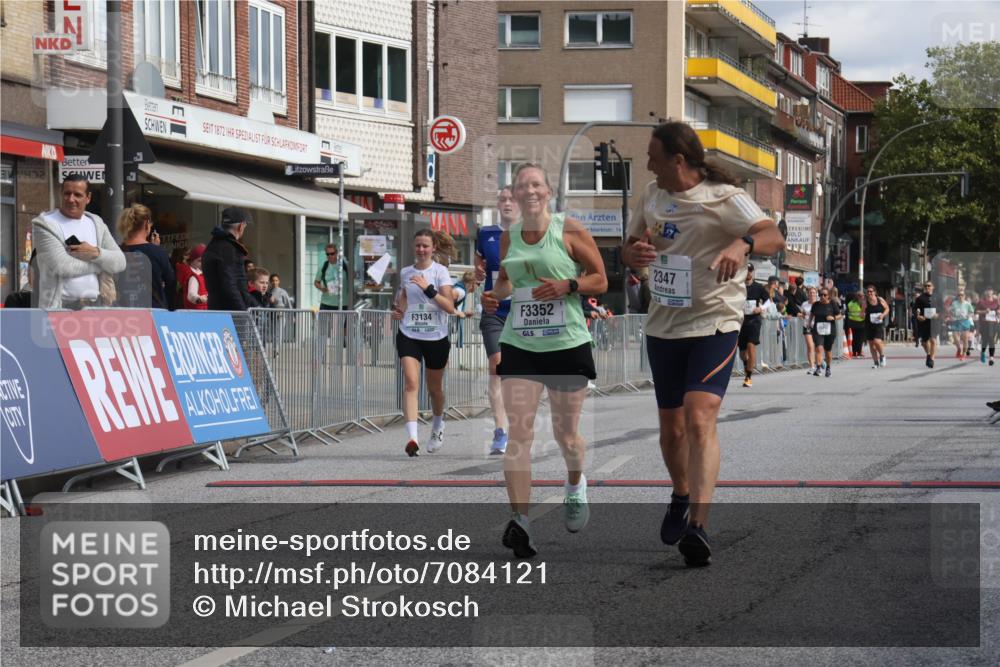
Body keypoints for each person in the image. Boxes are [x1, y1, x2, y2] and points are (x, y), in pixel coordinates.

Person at [621, 122, 784, 566]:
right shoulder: (653, 196)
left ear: (678, 160)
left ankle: (698, 525)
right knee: (671, 430)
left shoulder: (723, 197)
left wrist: (742, 243)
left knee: (699, 418)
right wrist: (632, 255)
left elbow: (773, 235)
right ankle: (680, 493)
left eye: (653, 156)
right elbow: (630, 245)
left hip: (715, 320)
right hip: (664, 325)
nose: (648, 163)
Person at [481, 162, 607, 559]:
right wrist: (494, 295)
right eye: (522, 186)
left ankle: (574, 485)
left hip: (567, 342)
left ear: (548, 192)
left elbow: (601, 278)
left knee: (566, 435)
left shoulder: (568, 229)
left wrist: (568, 285)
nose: (529, 191)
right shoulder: (508, 237)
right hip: (522, 341)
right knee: (520, 434)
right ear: (514, 195)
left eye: (536, 184)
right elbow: (506, 282)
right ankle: (520, 520)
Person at [392, 229, 465, 457]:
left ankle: (437, 425)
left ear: (433, 248)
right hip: (409, 334)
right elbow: (404, 296)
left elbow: (449, 307)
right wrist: (399, 310)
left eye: (425, 246)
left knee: (434, 389)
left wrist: (428, 288)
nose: (421, 250)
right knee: (411, 383)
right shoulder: (406, 272)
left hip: (435, 337)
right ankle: (412, 438)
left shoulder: (440, 271)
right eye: (418, 246)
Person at [31, 175, 126, 310]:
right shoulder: (45, 224)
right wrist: (101, 264)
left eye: (77, 195)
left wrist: (96, 253)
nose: (71, 199)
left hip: (97, 308)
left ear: (88, 198)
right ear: (60, 194)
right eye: (67, 193)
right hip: (60, 309)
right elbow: (62, 266)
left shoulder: (96, 223)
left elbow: (120, 261)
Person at [475, 186, 520, 455]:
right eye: (501, 198)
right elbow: (478, 268)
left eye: (511, 199)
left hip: (523, 312)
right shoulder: (486, 234)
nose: (506, 203)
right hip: (493, 310)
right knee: (496, 365)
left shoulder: (530, 233)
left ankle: (519, 421)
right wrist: (477, 274)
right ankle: (500, 430)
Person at [116, 203, 175, 309]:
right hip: (152, 310)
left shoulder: (116, 251)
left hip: (124, 312)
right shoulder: (157, 252)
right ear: (147, 224)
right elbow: (170, 280)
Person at [202, 207, 256, 311]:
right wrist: (242, 312)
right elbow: (230, 284)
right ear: (241, 226)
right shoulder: (229, 248)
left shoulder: (212, 245)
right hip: (231, 312)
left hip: (215, 308)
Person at [738, 266, 768, 388]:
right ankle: (747, 364)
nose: (748, 273)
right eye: (746, 270)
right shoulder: (738, 286)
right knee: (742, 353)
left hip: (754, 321)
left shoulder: (759, 287)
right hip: (741, 321)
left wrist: (760, 308)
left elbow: (769, 301)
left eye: (750, 271)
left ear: (752, 272)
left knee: (751, 346)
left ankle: (748, 377)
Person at [809, 287, 842, 377]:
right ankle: (818, 368)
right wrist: (809, 323)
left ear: (828, 296)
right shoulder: (815, 304)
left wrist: (833, 318)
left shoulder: (832, 304)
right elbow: (812, 314)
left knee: (828, 350)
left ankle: (828, 368)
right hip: (818, 329)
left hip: (830, 330)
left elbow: (839, 315)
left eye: (825, 295)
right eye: (820, 295)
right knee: (819, 348)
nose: (822, 296)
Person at [314, 244, 350, 311]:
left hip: (342, 303)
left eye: (332, 253)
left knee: (342, 322)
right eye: (327, 254)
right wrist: (322, 288)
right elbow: (316, 282)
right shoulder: (323, 266)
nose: (330, 256)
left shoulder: (345, 265)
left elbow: (354, 276)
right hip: (326, 303)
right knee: (322, 321)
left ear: (336, 253)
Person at [914, 281, 940, 368]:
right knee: (924, 342)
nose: (927, 287)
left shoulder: (937, 297)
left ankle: (932, 359)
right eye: (926, 286)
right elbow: (915, 310)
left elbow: (943, 309)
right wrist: (918, 316)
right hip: (924, 322)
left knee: (933, 340)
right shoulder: (920, 298)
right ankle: (928, 355)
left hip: (934, 322)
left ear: (933, 287)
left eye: (929, 286)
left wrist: (938, 315)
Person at [863, 285, 890, 368]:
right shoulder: (865, 302)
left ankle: (882, 356)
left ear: (875, 292)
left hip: (878, 324)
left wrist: (882, 315)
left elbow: (887, 309)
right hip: (869, 325)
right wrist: (862, 314)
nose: (869, 293)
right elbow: (862, 312)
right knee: (871, 344)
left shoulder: (880, 299)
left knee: (877, 341)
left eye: (871, 291)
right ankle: (875, 362)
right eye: (868, 291)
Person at [947, 290, 975, 361]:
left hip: (965, 321)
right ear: (957, 296)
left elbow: (972, 312)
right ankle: (959, 349)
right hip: (956, 322)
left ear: (964, 296)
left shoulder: (967, 304)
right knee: (955, 338)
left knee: (965, 339)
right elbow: (949, 311)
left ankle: (964, 354)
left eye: (962, 295)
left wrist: (969, 315)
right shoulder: (954, 303)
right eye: (959, 295)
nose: (960, 296)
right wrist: (951, 316)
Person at [975, 287, 998, 366]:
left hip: (993, 323)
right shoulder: (981, 302)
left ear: (992, 292)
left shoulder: (996, 301)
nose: (989, 293)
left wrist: (998, 311)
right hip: (984, 323)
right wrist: (984, 311)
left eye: (990, 291)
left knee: (991, 339)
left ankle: (991, 357)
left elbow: (998, 309)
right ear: (985, 293)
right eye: (987, 291)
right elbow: (976, 311)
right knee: (985, 339)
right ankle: (983, 352)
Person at [182, 244, 208, 309]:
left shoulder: (201, 275)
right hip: (197, 313)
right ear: (191, 261)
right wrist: (201, 299)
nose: (203, 263)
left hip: (203, 312)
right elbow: (191, 295)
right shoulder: (194, 277)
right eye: (199, 261)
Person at [800, 286, 819, 373]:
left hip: (818, 327)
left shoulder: (819, 303)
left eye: (813, 293)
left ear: (816, 294)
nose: (812, 294)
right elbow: (802, 313)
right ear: (808, 294)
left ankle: (820, 361)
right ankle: (812, 366)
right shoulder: (804, 304)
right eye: (810, 293)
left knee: (818, 347)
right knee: (810, 346)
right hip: (807, 326)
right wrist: (802, 315)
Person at [845, 291, 867, 358]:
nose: (862, 297)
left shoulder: (850, 303)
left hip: (852, 323)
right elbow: (864, 313)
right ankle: (859, 353)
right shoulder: (862, 303)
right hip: (861, 323)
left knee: (854, 339)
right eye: (862, 296)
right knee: (860, 339)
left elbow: (848, 312)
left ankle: (854, 353)